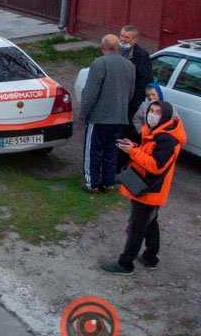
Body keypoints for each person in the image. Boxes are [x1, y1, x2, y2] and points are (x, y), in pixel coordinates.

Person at [102, 100, 187, 275]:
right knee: (150, 223)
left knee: (136, 227)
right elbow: (149, 154)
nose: (152, 114)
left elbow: (155, 165)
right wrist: (134, 146)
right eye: (152, 110)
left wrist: (132, 152)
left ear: (166, 117)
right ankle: (150, 257)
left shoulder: (167, 140)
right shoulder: (159, 133)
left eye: (158, 112)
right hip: (150, 188)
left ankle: (126, 264)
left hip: (149, 190)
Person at [78, 34, 136, 194]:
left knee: (93, 150)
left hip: (99, 117)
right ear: (117, 47)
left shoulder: (99, 64)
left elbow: (90, 93)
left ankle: (92, 183)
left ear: (102, 46)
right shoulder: (129, 66)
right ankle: (108, 182)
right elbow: (130, 93)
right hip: (119, 117)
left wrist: (83, 113)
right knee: (111, 150)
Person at [119, 25, 153, 125]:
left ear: (135, 40)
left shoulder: (141, 55)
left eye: (127, 37)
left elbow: (145, 80)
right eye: (122, 36)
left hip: (129, 102)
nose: (123, 39)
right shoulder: (115, 50)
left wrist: (134, 103)